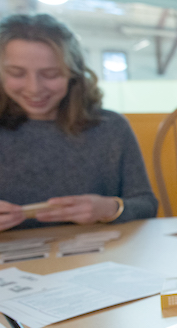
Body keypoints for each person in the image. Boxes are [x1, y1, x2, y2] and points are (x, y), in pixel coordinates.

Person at [0, 13, 158, 231]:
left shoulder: (110, 127)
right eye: (17, 73)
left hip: (96, 258)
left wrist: (109, 209)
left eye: (51, 74)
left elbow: (146, 205)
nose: (33, 88)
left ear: (73, 74)